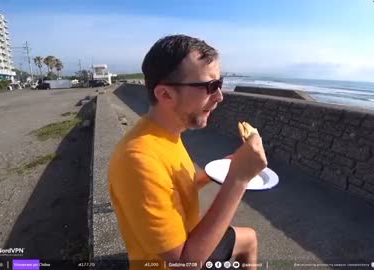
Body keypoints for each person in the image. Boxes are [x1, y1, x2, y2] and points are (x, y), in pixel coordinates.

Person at [108, 35, 267, 270]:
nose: (220, 96)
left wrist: (223, 170)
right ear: (166, 95)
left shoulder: (166, 134)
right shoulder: (138, 160)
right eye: (210, 86)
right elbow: (184, 263)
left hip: (187, 239)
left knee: (249, 239)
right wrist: (238, 179)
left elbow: (176, 186)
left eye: (219, 83)